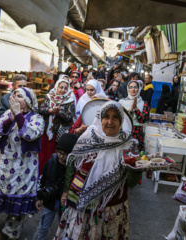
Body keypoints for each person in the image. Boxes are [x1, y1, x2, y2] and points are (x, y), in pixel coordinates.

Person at [56, 101, 141, 240]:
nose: (110, 121)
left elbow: (131, 183)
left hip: (111, 210)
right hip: (81, 207)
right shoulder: (88, 137)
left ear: (121, 121)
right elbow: (71, 165)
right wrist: (66, 190)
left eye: (115, 117)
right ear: (100, 118)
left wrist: (137, 168)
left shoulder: (129, 145)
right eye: (106, 116)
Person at [0, 87, 44, 239]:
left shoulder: (37, 118)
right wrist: (12, 118)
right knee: (8, 199)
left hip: (23, 168)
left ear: (27, 101)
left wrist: (19, 115)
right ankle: (10, 223)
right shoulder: (8, 113)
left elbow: (30, 134)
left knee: (18, 202)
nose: (14, 98)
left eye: (19, 96)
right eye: (13, 95)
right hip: (5, 165)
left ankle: (12, 232)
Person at [34, 133, 79, 240]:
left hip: (64, 205)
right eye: (60, 153)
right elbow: (42, 179)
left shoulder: (74, 168)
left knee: (63, 229)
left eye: (66, 154)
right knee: (43, 227)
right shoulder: (50, 162)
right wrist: (38, 198)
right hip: (49, 202)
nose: (62, 157)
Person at [38, 77, 76, 175]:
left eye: (65, 88)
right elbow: (41, 109)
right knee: (42, 153)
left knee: (53, 155)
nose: (63, 90)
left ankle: (49, 175)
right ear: (56, 87)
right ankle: (40, 174)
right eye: (61, 87)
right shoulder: (49, 97)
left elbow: (69, 117)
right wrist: (49, 110)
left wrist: (59, 112)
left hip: (57, 134)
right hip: (45, 132)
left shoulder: (69, 101)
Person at [119, 81, 150, 151]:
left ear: (139, 89)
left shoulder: (144, 103)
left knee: (136, 155)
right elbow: (119, 118)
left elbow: (144, 119)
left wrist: (136, 109)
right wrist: (130, 110)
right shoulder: (122, 102)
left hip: (137, 133)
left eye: (135, 87)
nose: (133, 89)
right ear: (128, 89)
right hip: (124, 131)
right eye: (131, 87)